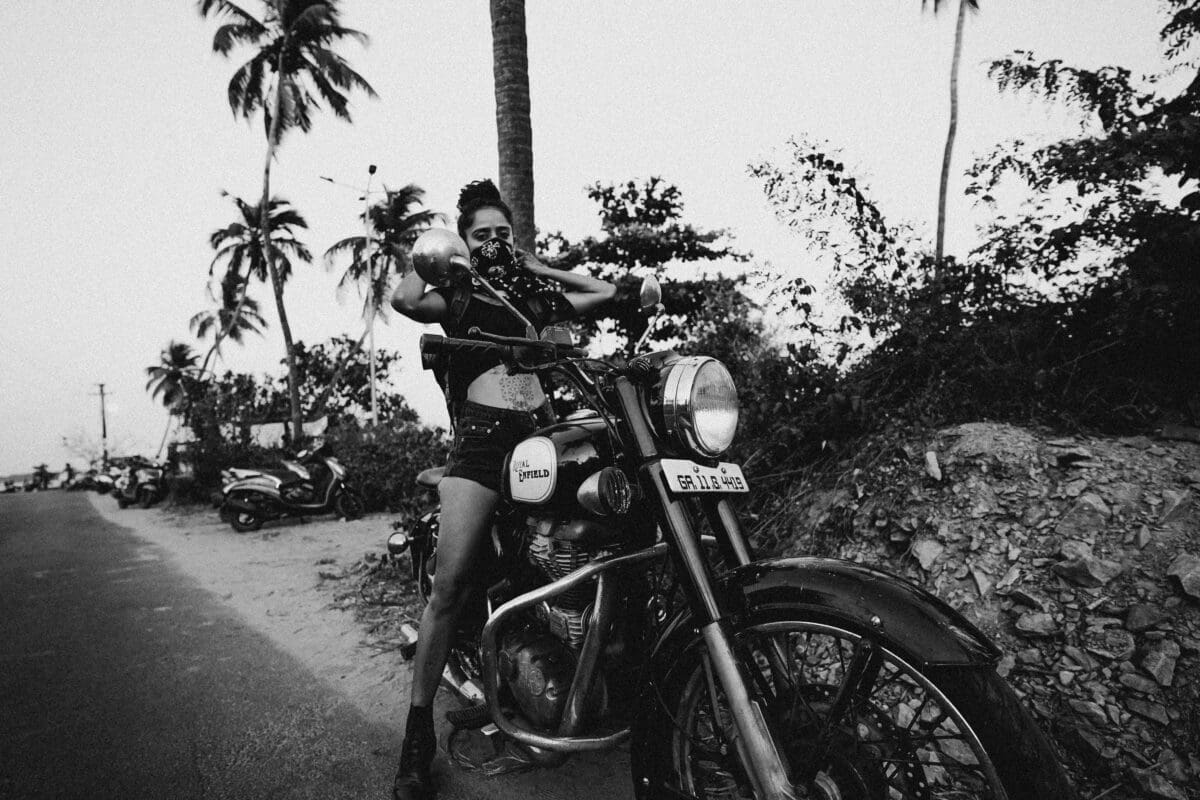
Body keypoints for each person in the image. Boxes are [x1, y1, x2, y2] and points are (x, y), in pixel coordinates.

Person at [389, 179, 615, 800]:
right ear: (464, 243)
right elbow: (406, 296)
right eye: (481, 235)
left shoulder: (532, 299)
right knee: (451, 581)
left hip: (544, 436)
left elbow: (603, 293)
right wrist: (442, 262)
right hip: (485, 446)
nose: (494, 243)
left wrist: (534, 264)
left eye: (502, 235)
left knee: (594, 544)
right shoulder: (456, 297)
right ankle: (416, 735)